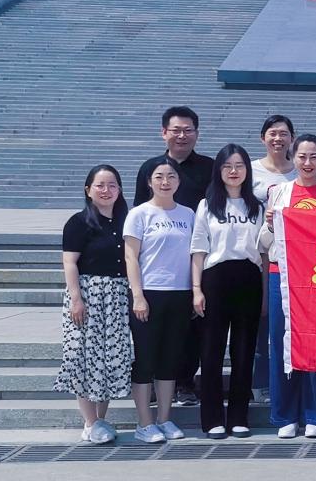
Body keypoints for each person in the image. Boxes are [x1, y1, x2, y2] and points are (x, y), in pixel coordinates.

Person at [260, 133, 316, 439]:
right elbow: (264, 243)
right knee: (281, 342)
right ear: (293, 158)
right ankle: (284, 415)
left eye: (314, 157)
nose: (307, 163)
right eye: (302, 156)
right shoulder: (278, 192)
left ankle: (315, 415)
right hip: (282, 274)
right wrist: (270, 225)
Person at [132, 106, 213, 408]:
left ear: (196, 133)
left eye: (188, 130)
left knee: (191, 328)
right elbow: (139, 213)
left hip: (194, 260)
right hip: (156, 265)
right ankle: (152, 381)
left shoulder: (209, 168)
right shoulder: (150, 168)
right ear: (163, 132)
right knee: (153, 329)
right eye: (176, 130)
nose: (182, 135)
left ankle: (185, 382)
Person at [191, 144, 264, 440]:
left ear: (247, 170)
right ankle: (212, 419)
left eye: (239, 165)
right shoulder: (207, 205)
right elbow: (198, 248)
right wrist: (196, 289)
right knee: (211, 351)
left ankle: (238, 417)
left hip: (248, 278)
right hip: (215, 279)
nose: (234, 171)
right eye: (227, 166)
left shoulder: (257, 206)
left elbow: (263, 251)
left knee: (244, 352)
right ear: (218, 170)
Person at [54, 165, 132, 445]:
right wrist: (76, 298)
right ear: (88, 190)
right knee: (83, 358)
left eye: (112, 185)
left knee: (108, 358)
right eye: (100, 185)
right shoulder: (78, 222)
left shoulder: (126, 221)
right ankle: (89, 421)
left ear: (119, 190)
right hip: (87, 295)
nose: (106, 190)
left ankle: (100, 420)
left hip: (116, 298)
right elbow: (69, 262)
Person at [124, 157, 195, 444]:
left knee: (170, 359)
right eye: (159, 177)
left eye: (171, 176)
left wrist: (195, 291)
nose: (165, 182)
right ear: (149, 182)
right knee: (145, 358)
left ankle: (165, 419)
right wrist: (137, 295)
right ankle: (144, 423)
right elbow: (131, 257)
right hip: (149, 293)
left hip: (180, 293)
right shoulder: (139, 214)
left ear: (179, 181)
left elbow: (195, 255)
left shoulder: (189, 214)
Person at [250, 115, 297, 406]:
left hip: (292, 257)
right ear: (263, 137)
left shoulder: (300, 171)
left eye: (284, 133)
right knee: (261, 318)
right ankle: (260, 382)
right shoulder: (250, 170)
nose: (278, 139)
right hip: (256, 253)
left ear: (292, 138)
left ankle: (288, 382)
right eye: (272, 133)